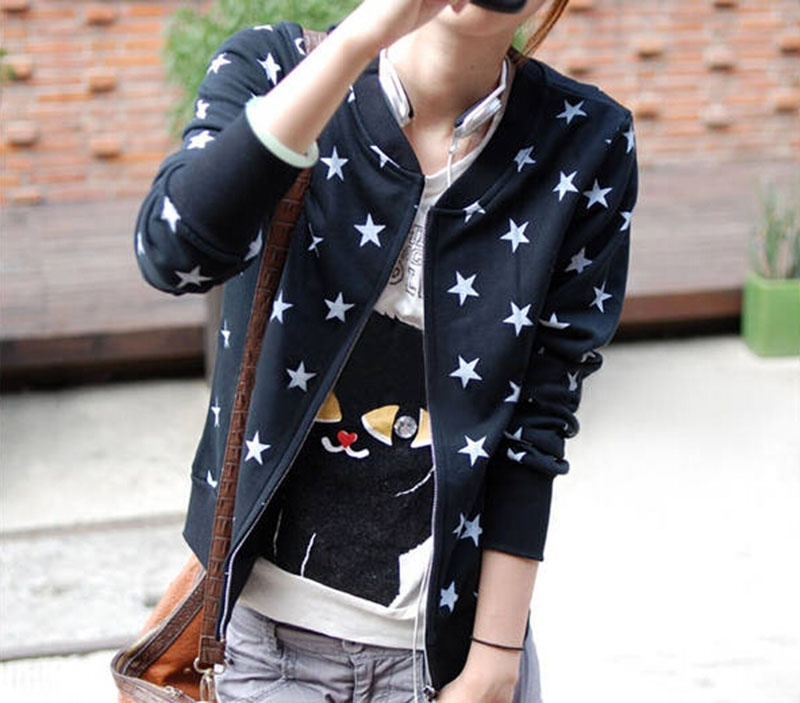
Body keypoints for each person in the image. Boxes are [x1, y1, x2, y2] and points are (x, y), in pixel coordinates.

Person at [134, 0, 637, 700]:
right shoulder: (275, 68)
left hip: (445, 657)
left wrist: (494, 662)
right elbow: (172, 253)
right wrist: (355, 45)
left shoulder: (585, 139)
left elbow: (541, 411)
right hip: (265, 650)